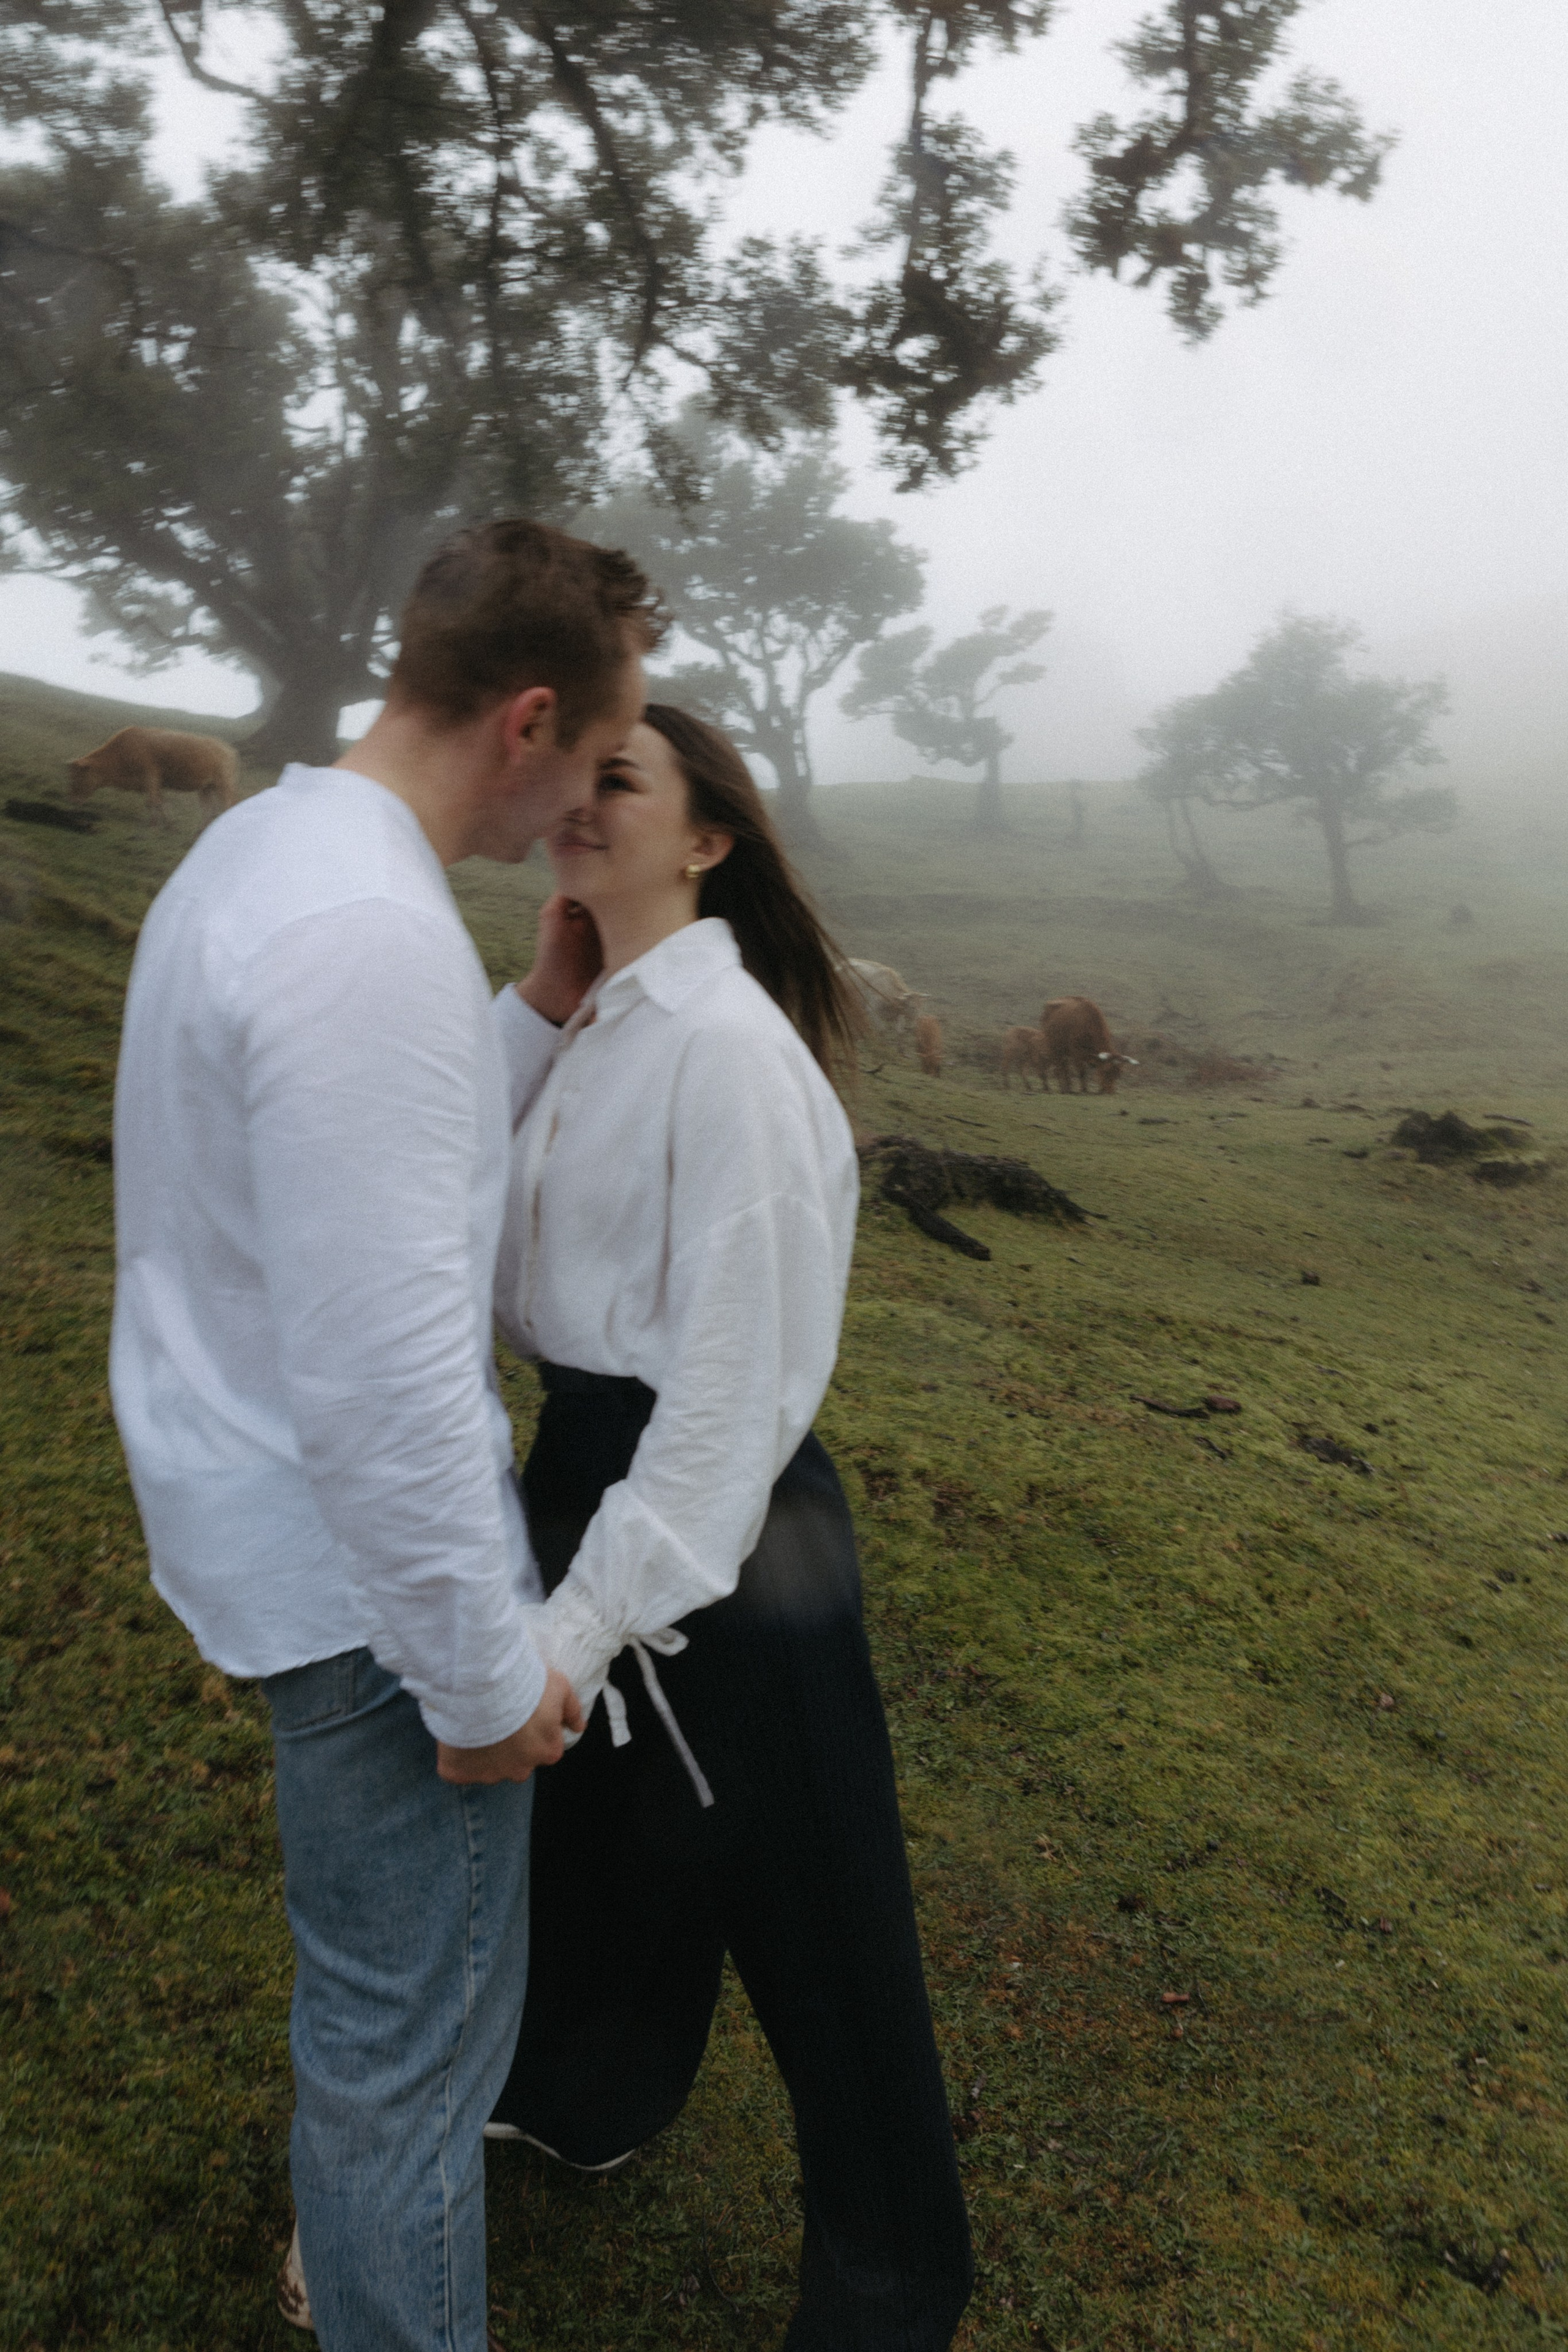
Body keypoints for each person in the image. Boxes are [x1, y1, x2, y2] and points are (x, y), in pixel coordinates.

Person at [109, 519, 663, 2352]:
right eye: (594, 758)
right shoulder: (367, 940)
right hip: (364, 1600)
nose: (587, 805)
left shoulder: (268, 850)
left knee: (378, 2018)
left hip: (263, 1520)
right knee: (413, 2049)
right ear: (526, 718)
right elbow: (386, 1372)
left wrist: (526, 1022)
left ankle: (345, 2250)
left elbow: (339, 1193)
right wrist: (478, 1677)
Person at [486, 706, 974, 2350]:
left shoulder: (735, 1056)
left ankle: (893, 2284)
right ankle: (590, 2094)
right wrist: (537, 1016)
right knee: (607, 1843)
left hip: (734, 1535)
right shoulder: (601, 1025)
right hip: (579, 1465)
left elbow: (732, 1399)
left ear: (709, 841)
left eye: (618, 782)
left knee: (816, 1913)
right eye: (572, 775)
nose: (576, 799)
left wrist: (575, 1625)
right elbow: (477, 1248)